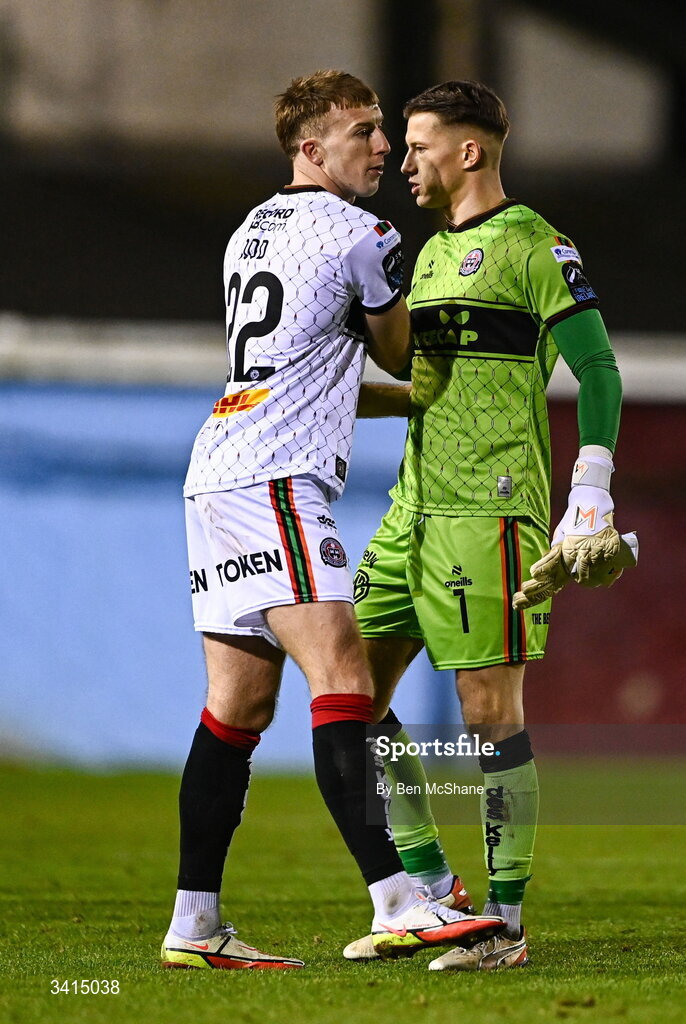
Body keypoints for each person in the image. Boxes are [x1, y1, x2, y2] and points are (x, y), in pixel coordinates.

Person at [161, 70, 503, 970]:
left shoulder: (250, 229)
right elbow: (398, 350)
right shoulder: (366, 232)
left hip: (220, 467)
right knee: (346, 676)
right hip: (275, 480)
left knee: (237, 707)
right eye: (363, 131)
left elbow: (317, 372)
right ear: (310, 148)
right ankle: (400, 900)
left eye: (385, 130)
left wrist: (402, 397)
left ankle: (193, 926)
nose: (383, 146)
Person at [343, 80, 634, 971]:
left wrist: (592, 488)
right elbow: (430, 389)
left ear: (470, 151)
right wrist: (338, 401)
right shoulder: (425, 258)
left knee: (488, 714)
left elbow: (601, 370)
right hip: (413, 510)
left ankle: (505, 925)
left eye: (420, 143)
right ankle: (431, 894)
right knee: (350, 693)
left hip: (491, 508)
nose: (406, 160)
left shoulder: (536, 244)